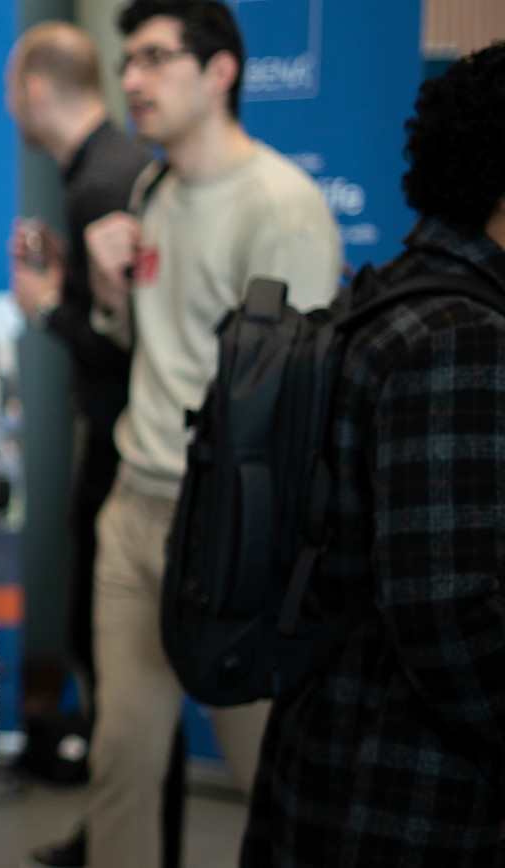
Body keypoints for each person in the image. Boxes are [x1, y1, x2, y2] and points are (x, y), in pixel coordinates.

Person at [79, 2, 342, 865]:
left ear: (220, 71)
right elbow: (146, 342)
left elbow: (294, 396)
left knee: (264, 765)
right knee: (120, 759)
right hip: (134, 506)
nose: (131, 81)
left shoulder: (282, 205)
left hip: (230, 525)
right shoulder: (153, 189)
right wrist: (107, 294)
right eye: (127, 61)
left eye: (155, 58)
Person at [242, 41, 505, 867]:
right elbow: (449, 609)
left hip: (339, 756)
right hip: (409, 791)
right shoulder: (463, 337)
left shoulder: (392, 297)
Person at [2, 22, 156, 866]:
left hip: (127, 446)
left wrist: (46, 308)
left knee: (112, 656)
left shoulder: (101, 182)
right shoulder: (112, 169)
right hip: (131, 441)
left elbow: (123, 342)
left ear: (34, 90)